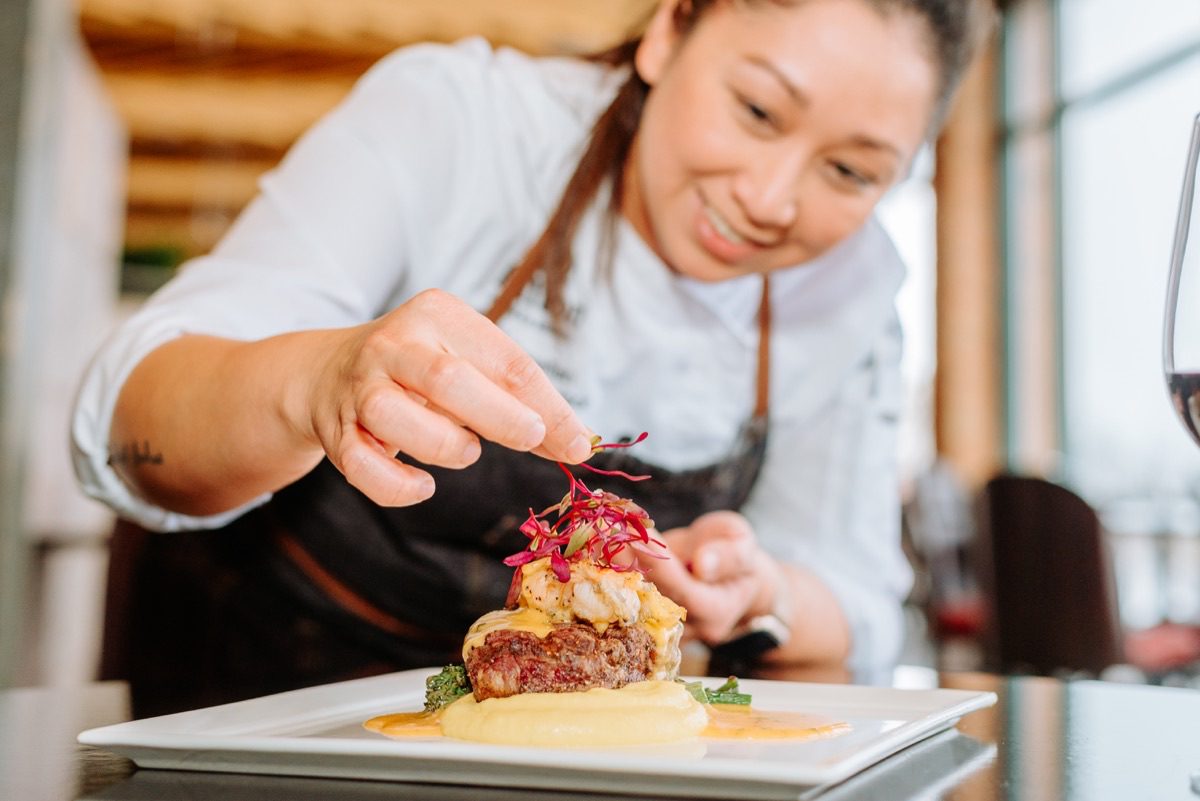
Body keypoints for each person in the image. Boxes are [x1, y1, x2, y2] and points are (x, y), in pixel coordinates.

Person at [72, 0, 993, 715]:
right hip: (262, 698)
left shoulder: (853, 293)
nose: (771, 199)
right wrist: (314, 382)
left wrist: (762, 589)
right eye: (756, 109)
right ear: (670, 31)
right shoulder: (459, 122)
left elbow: (855, 596)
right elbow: (124, 423)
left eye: (850, 172)